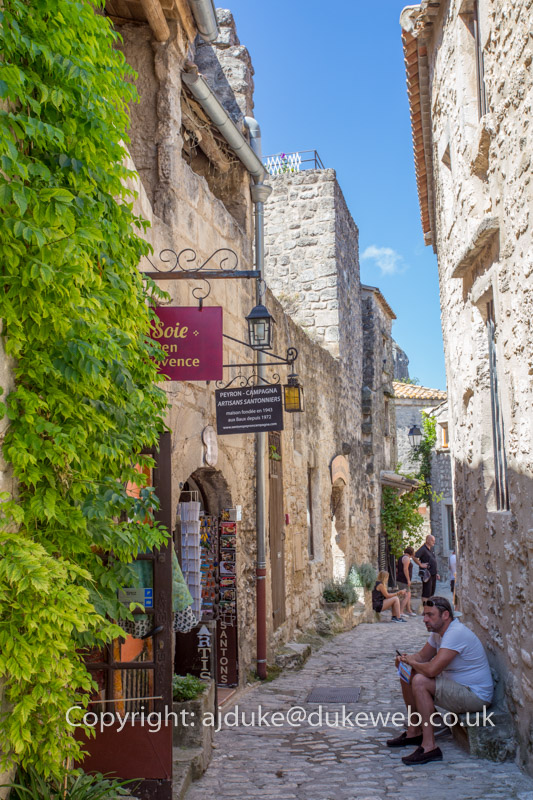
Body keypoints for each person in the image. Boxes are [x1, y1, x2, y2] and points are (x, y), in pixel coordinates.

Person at [387, 595, 494, 765]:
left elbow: (431, 669)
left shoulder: (455, 633)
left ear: (445, 616)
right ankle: (414, 731)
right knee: (407, 673)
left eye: (430, 615)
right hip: (459, 688)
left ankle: (429, 747)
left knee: (420, 681)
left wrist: (412, 662)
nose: (425, 619)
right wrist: (405, 660)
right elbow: (422, 656)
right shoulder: (439, 633)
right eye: (424, 615)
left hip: (475, 695)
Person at [415, 534, 440, 602]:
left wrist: (436, 573)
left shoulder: (431, 549)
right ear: (427, 540)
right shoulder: (423, 549)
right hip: (427, 574)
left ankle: (430, 607)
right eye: (432, 540)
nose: (433, 542)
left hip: (433, 574)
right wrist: (420, 564)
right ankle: (425, 607)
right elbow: (414, 556)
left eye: (434, 540)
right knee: (426, 592)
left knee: (431, 591)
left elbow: (433, 561)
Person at [396, 546, 417, 617]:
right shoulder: (406, 559)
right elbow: (405, 569)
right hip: (403, 579)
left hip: (401, 579)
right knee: (406, 596)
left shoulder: (401, 557)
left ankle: (409, 610)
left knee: (408, 595)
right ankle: (401, 611)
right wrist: (408, 580)